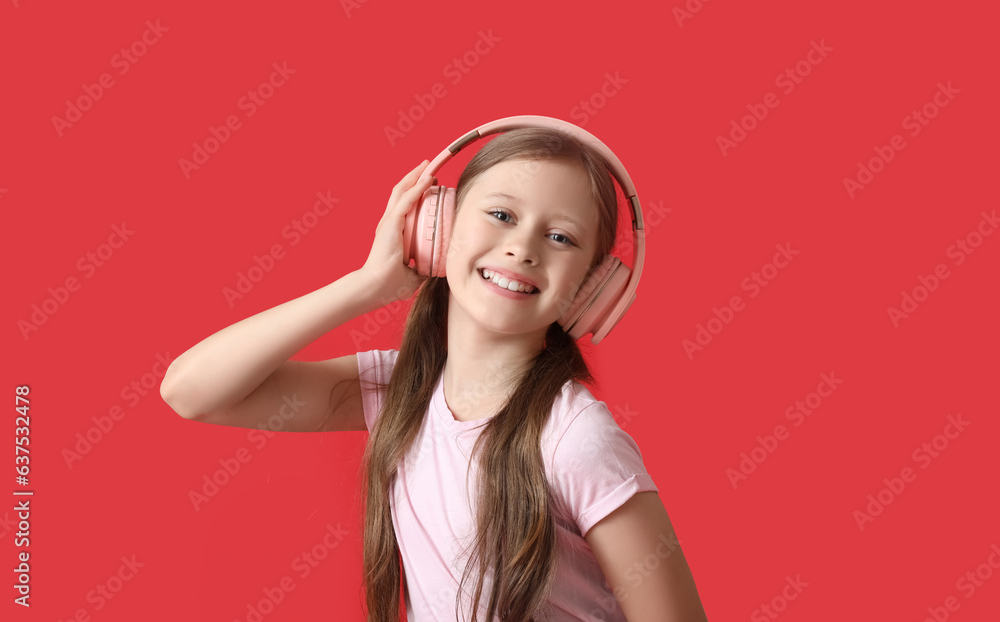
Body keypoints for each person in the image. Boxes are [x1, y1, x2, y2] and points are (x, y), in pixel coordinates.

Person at [161, 126, 708, 621]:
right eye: (501, 215)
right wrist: (367, 285)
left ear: (591, 289)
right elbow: (193, 392)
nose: (522, 248)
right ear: (437, 230)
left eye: (561, 237)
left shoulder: (574, 438)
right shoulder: (400, 392)